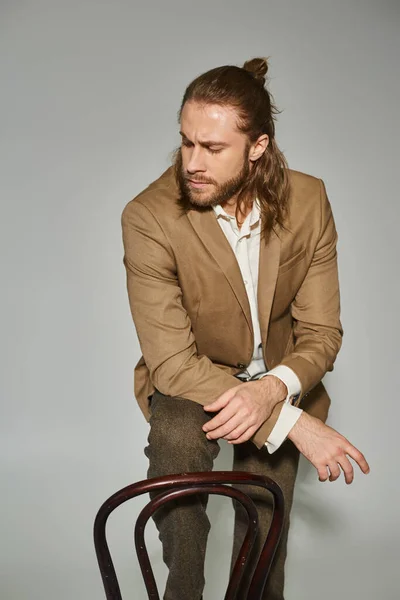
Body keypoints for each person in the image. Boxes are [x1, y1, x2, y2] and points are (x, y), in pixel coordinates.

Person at [121, 57, 370, 600]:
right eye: (186, 142)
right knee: (176, 439)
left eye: (212, 149)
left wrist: (274, 392)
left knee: (263, 542)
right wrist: (293, 424)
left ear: (258, 147)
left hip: (279, 374)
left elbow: (323, 332)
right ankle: (182, 593)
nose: (192, 162)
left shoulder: (308, 200)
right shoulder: (148, 216)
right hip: (195, 379)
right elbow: (170, 363)